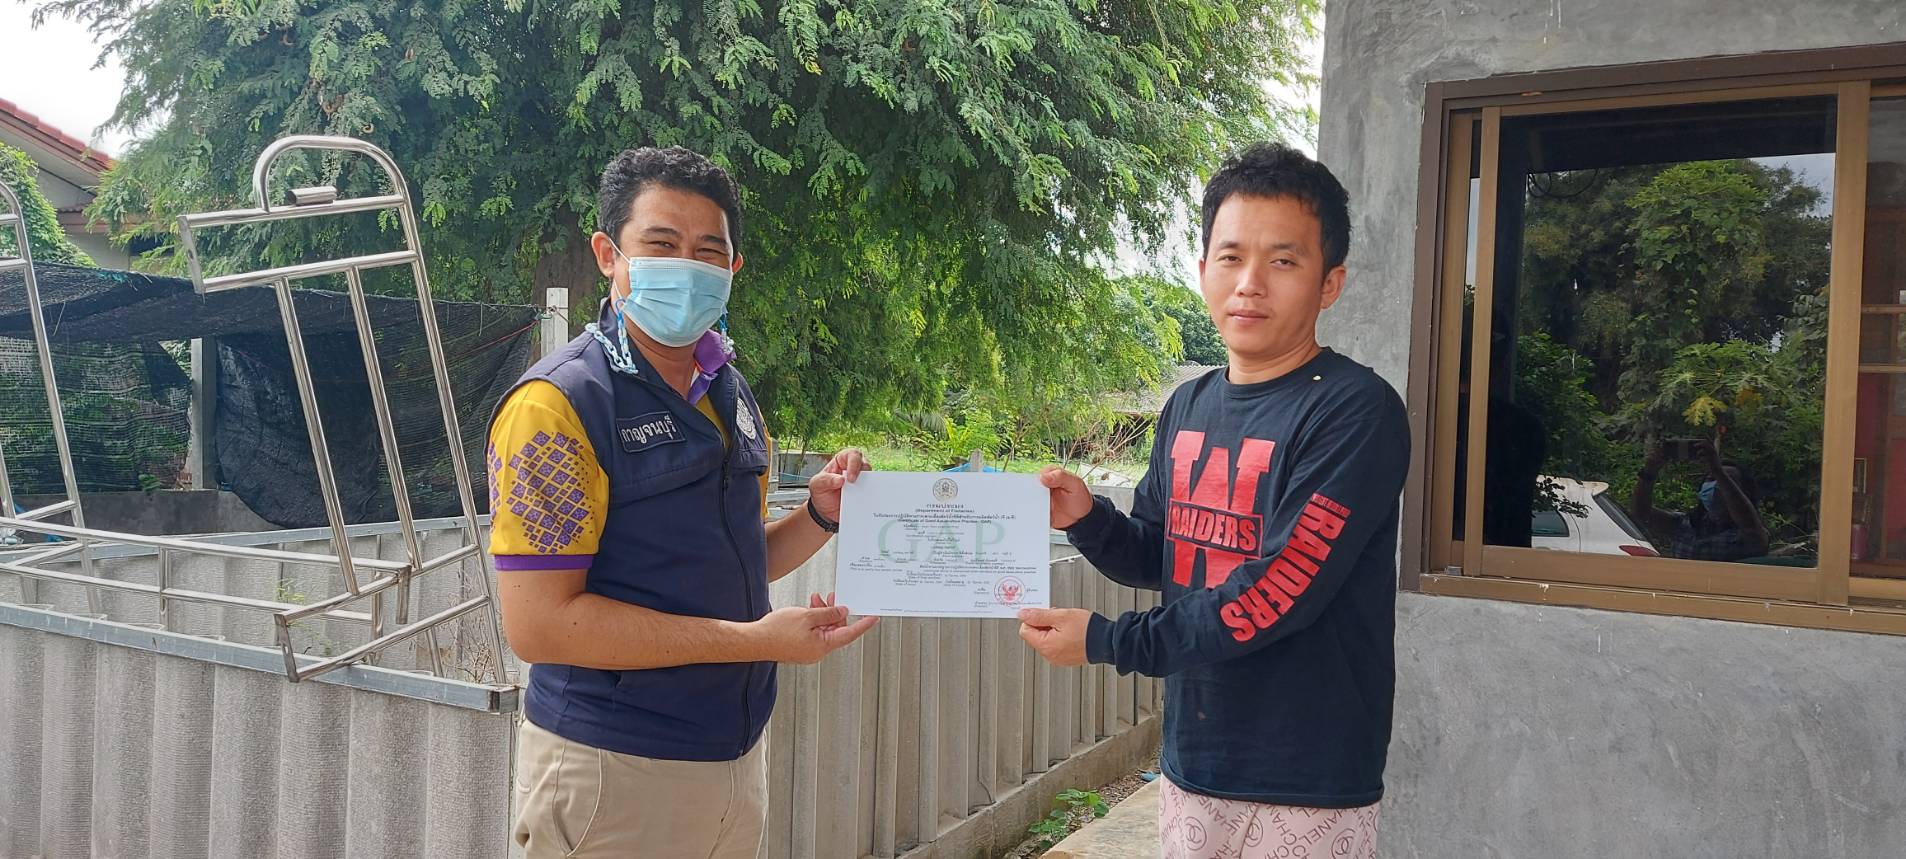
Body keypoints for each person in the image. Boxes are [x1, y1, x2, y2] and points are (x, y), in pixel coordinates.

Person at [1018, 143, 1409, 858]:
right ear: (1203, 271)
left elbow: (1280, 589)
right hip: (1194, 761)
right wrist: (1086, 519)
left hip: (1308, 775)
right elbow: (1161, 555)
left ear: (1330, 283)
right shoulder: (1188, 404)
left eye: (1283, 261)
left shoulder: (1357, 411)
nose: (1250, 284)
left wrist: (1108, 640)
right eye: (1231, 257)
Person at [489, 146, 878, 858]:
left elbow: (732, 557)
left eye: (708, 251)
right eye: (662, 244)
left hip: (732, 757)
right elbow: (540, 626)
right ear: (608, 255)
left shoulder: (726, 388)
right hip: (610, 769)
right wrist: (758, 642)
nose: (687, 267)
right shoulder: (556, 407)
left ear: (732, 269)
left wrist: (821, 515)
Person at [1632, 435, 1770, 562]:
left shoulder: (1748, 535)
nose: (1717, 486)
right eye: (1711, 479)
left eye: (1727, 481)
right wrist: (1649, 471)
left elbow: (1750, 527)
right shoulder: (1685, 524)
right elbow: (1641, 515)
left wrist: (1718, 471)